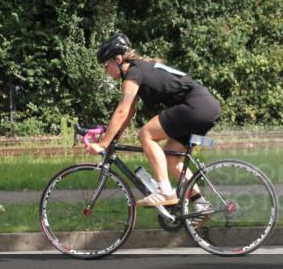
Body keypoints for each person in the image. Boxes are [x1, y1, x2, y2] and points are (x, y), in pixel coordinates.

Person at [85, 33, 221, 223]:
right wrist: (113, 138)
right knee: (172, 156)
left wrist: (104, 143)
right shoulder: (138, 71)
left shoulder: (133, 72)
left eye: (106, 65)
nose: (105, 70)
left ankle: (165, 191)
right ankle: (201, 205)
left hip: (196, 106)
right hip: (206, 107)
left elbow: (122, 111)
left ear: (118, 59)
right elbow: (128, 113)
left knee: (146, 134)